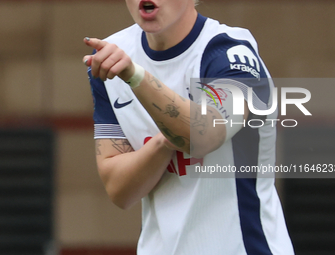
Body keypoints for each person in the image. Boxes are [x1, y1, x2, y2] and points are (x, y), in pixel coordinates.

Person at [83, 0, 295, 254]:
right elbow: (119, 190)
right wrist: (163, 142)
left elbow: (203, 134)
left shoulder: (230, 53)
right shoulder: (112, 56)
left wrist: (136, 77)